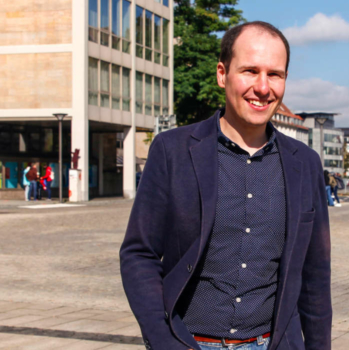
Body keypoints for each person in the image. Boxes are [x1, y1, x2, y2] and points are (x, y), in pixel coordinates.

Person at [120, 21, 332, 350]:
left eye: (275, 74)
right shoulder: (172, 150)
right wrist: (163, 340)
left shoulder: (304, 164)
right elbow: (139, 254)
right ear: (223, 74)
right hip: (190, 342)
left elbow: (315, 277)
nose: (263, 87)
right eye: (250, 71)